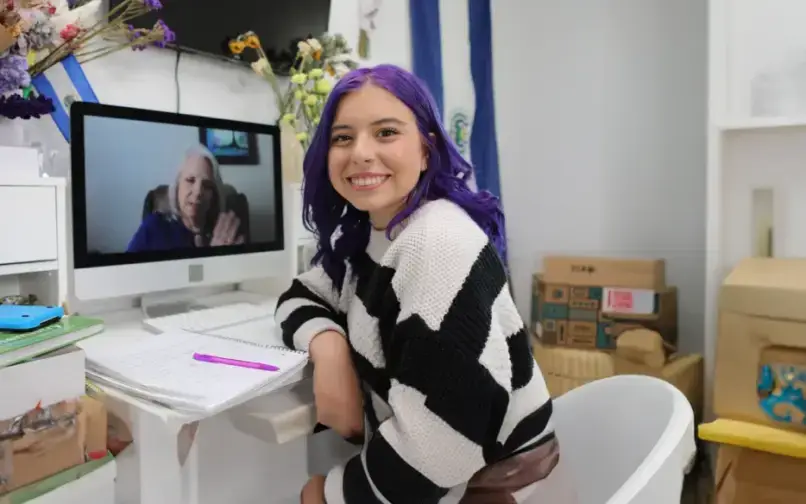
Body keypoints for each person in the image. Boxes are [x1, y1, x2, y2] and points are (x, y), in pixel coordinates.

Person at [275, 64, 561, 504]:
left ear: (426, 149)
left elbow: (446, 441)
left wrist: (329, 496)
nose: (361, 153)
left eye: (386, 132)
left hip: (491, 487)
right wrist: (328, 349)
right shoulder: (374, 237)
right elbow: (302, 294)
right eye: (343, 137)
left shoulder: (436, 242)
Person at [126, 144, 243, 252]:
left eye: (207, 185)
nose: (197, 192)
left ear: (214, 195)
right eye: (190, 180)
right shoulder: (154, 227)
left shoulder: (225, 230)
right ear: (177, 187)